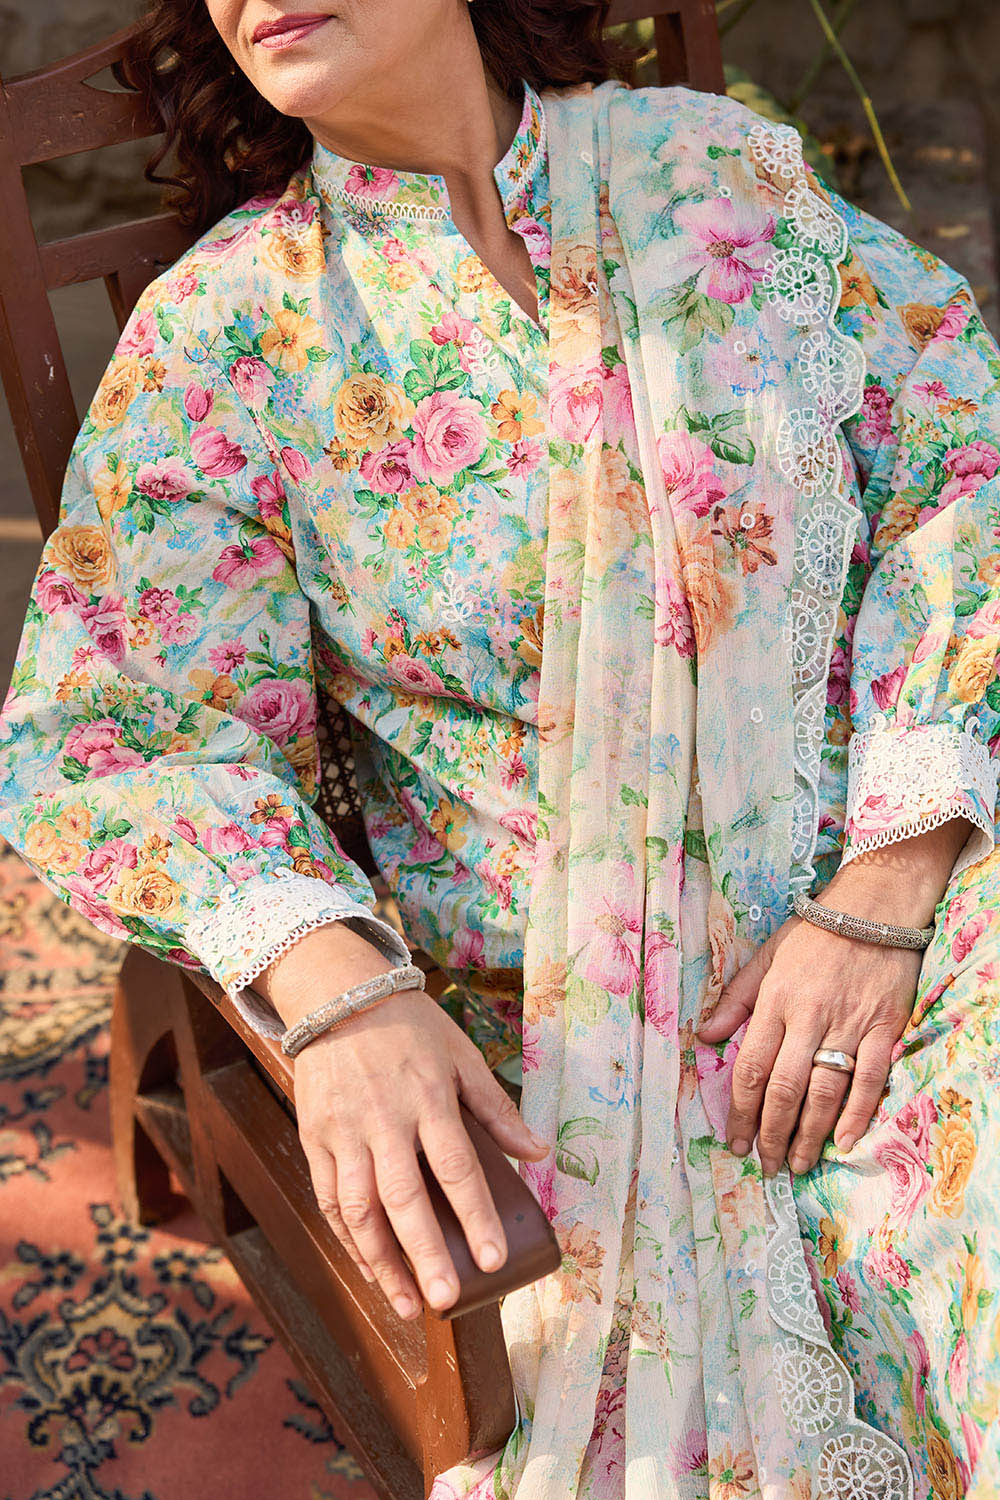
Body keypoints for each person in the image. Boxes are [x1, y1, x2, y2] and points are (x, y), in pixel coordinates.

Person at [1, 0, 999, 1495]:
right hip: (583, 1032)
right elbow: (120, 729)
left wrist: (889, 886)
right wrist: (339, 999)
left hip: (910, 896)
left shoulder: (715, 175)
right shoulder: (236, 331)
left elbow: (961, 468)